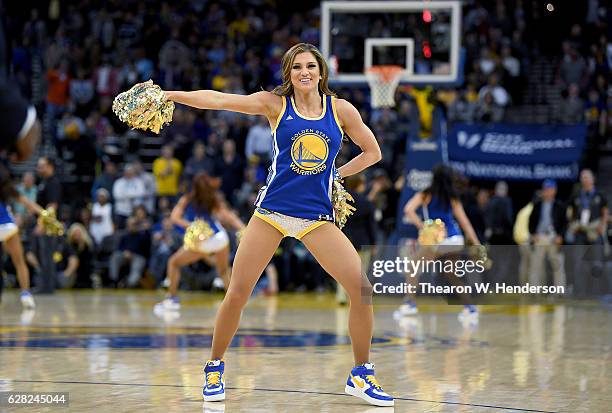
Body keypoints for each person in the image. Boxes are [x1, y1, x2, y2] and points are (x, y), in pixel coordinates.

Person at [163, 43, 393, 406]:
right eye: (297, 66)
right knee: (237, 292)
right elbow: (220, 100)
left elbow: (373, 151)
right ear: (288, 73)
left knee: (361, 289)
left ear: (321, 72)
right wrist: (171, 94)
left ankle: (361, 374)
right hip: (271, 213)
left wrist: (337, 175)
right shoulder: (275, 105)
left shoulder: (341, 110)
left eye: (310, 66)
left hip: (316, 218)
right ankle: (214, 366)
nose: (305, 72)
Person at [400, 164, 483, 323]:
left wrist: (423, 226)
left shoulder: (426, 194)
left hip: (439, 240)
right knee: (451, 274)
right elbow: (465, 223)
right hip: (456, 240)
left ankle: (409, 303)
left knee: (413, 266)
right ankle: (470, 308)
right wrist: (477, 243)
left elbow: (408, 209)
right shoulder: (452, 197)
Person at [154, 173, 245, 312]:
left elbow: (174, 218)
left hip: (203, 239)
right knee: (223, 270)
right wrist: (244, 229)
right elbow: (228, 216)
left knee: (173, 263)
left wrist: (192, 226)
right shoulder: (213, 199)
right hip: (220, 238)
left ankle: (171, 299)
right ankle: (235, 304)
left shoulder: (187, 199)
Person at [0, 165, 48, 307]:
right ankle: (26, 295)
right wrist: (45, 214)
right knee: (19, 262)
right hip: (8, 226)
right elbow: (29, 204)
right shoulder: (7, 189)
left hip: (6, 226)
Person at [528, 179, 567, 290]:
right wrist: (533, 234)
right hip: (540, 237)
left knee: (558, 265)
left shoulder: (559, 205)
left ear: (554, 191)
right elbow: (530, 222)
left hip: (553, 237)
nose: (547, 191)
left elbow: (564, 224)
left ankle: (559, 290)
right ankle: (533, 290)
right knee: (535, 265)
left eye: (549, 189)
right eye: (545, 189)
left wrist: (561, 236)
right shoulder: (537, 205)